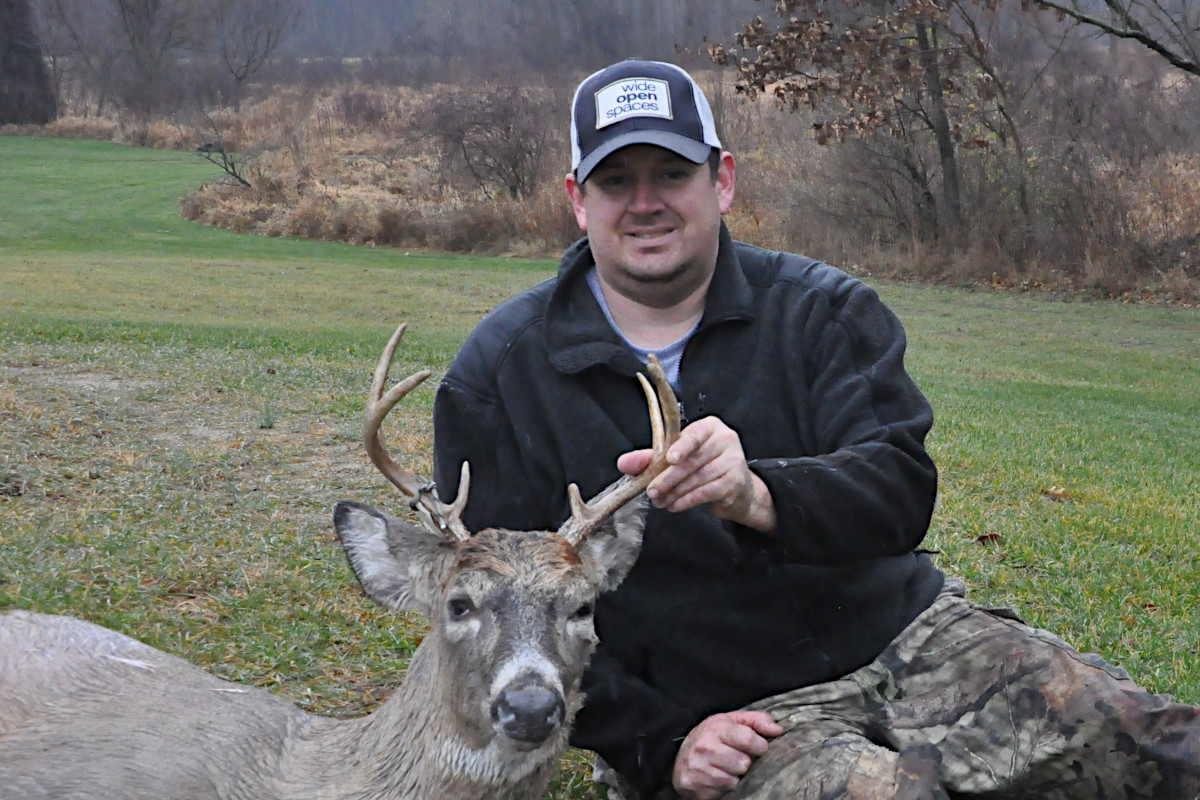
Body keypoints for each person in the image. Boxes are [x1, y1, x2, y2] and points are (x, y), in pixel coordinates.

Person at [431, 59, 1200, 800]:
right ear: (577, 197)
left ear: (722, 180)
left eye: (671, 175)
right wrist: (663, 747)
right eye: (615, 181)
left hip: (908, 639)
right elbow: (495, 625)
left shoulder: (823, 311)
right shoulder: (499, 376)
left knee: (1160, 744)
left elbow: (900, 490)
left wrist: (759, 492)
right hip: (731, 715)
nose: (645, 203)